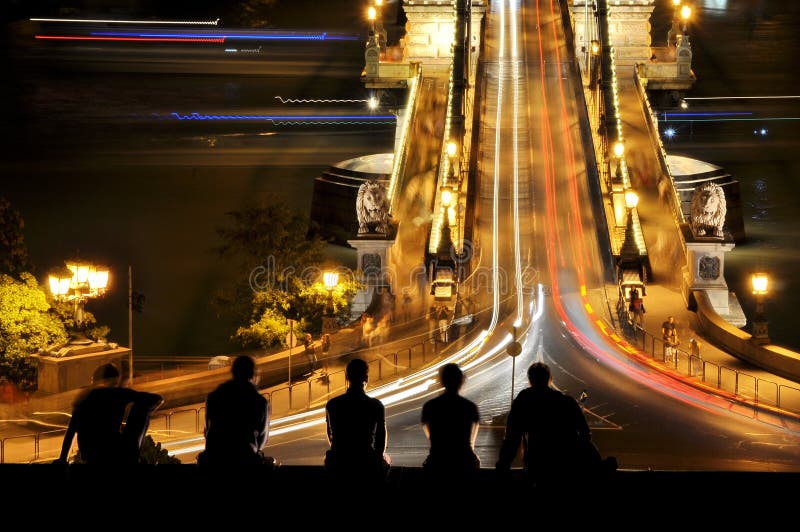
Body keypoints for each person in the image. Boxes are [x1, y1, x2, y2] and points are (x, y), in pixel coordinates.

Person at [495, 362, 613, 488]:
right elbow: (585, 433)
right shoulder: (566, 402)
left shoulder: (523, 401)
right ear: (550, 379)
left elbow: (511, 439)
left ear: (530, 380)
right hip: (566, 466)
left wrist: (503, 464)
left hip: (538, 465)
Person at [54, 362, 164, 466]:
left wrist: (63, 459)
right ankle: (133, 454)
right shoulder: (117, 394)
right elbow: (156, 399)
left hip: (91, 455)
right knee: (142, 406)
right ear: (114, 381)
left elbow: (71, 431)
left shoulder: (84, 399)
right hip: (116, 452)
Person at [324, 358, 390, 488]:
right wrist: (378, 458)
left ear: (347, 377)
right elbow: (380, 438)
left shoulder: (332, 404)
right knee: (386, 460)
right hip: (366, 460)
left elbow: (331, 434)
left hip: (339, 462)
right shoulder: (376, 405)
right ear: (366, 377)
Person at [197, 355, 273, 468]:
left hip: (215, 460)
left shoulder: (214, 397)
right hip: (246, 460)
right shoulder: (260, 402)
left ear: (233, 372)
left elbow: (208, 431)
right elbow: (262, 438)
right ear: (254, 375)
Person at [420, 363, 480, 486]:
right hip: (463, 463)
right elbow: (471, 441)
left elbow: (429, 435)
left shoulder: (430, 407)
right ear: (461, 381)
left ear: (441, 381)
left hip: (438, 463)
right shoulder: (470, 407)